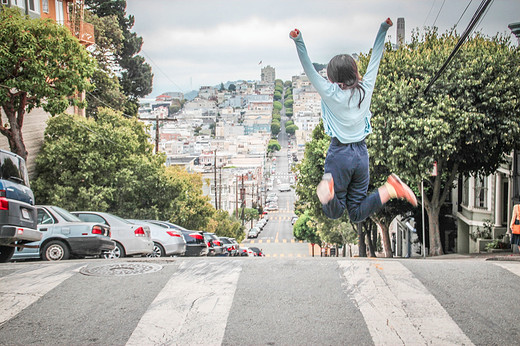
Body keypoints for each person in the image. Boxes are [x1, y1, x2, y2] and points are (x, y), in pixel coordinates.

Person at [289, 18, 417, 222]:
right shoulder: (365, 88)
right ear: (355, 72)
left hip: (339, 154)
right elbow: (376, 57)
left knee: (335, 211)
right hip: (361, 155)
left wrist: (299, 41)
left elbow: (309, 70)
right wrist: (383, 29)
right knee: (356, 213)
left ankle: (329, 193)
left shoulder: (330, 92)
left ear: (331, 78)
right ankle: (390, 189)